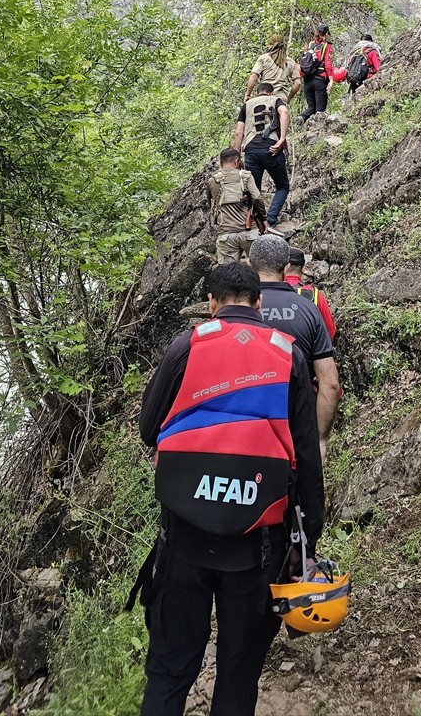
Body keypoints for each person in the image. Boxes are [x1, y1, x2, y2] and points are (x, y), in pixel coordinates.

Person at [137, 262, 324, 716]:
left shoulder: (185, 348)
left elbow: (148, 428)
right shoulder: (289, 356)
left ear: (211, 304)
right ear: (259, 303)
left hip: (184, 536)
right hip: (258, 546)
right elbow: (306, 460)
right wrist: (307, 543)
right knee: (238, 675)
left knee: (168, 670)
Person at [249, 234, 340, 461]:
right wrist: (320, 439)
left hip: (248, 414)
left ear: (249, 264)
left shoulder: (239, 306)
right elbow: (331, 383)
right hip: (299, 408)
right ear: (287, 266)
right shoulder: (311, 302)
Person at [232, 82, 290, 232]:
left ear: (257, 92)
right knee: (282, 186)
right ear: (270, 92)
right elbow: (284, 113)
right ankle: (270, 220)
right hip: (272, 147)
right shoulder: (275, 100)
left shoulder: (247, 105)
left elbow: (239, 132)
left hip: (251, 149)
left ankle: (256, 223)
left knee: (254, 190)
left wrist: (236, 156)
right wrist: (282, 138)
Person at [207, 147, 266, 263]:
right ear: (236, 161)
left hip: (226, 234)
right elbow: (257, 198)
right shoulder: (246, 177)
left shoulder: (212, 181)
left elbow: (211, 205)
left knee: (228, 274)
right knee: (260, 269)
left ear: (220, 162)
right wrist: (264, 219)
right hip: (249, 232)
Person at [284, 248, 337, 342]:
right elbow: (330, 331)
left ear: (284, 267)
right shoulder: (315, 294)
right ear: (304, 268)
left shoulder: (266, 293)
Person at [298, 23, 345, 122]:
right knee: (320, 111)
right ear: (326, 34)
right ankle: (317, 133)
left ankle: (301, 117)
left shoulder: (310, 45)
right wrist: (331, 80)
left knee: (311, 107)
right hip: (319, 81)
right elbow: (328, 65)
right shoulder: (327, 46)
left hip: (307, 81)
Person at [243, 35, 302, 104]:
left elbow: (253, 76)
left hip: (264, 95)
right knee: (283, 113)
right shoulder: (290, 62)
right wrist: (289, 98)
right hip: (280, 98)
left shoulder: (263, 58)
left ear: (271, 45)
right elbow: (298, 83)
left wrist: (247, 94)